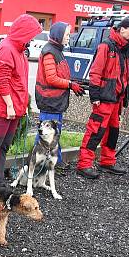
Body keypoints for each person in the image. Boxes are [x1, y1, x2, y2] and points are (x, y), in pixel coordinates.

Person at [0, 14, 42, 181]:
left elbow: (18, 81)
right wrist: (10, 105)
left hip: (14, 109)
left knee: (2, 147)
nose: (32, 39)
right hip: (2, 109)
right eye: (31, 35)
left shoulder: (19, 50)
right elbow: (1, 79)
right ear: (24, 32)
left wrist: (21, 106)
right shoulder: (7, 49)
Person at [76, 17, 129, 179]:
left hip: (115, 98)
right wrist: (94, 95)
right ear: (123, 29)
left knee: (113, 132)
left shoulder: (125, 48)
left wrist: (124, 97)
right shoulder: (106, 46)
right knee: (95, 131)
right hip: (104, 98)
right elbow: (95, 72)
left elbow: (125, 74)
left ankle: (107, 161)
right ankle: (84, 164)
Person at [33, 21, 85, 165]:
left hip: (55, 101)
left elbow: (60, 74)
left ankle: (56, 161)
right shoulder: (50, 51)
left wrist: (73, 82)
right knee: (46, 134)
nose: (69, 37)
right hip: (50, 101)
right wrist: (70, 84)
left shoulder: (57, 50)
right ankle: (38, 163)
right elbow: (51, 78)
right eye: (67, 34)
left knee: (54, 134)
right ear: (59, 35)